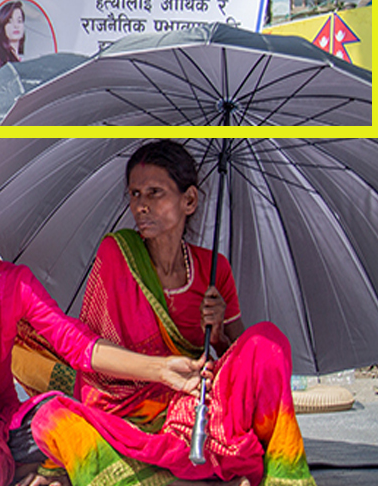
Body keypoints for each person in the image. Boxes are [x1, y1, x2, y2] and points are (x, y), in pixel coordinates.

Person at [0, 166, 224, 486]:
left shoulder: (13, 283)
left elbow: (80, 346)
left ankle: (23, 473)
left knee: (59, 416)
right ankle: (23, 476)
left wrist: (161, 369)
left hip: (8, 429)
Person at [30, 140, 315, 485]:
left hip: (195, 405)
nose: (141, 206)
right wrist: (163, 371)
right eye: (135, 194)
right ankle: (212, 464)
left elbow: (242, 361)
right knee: (51, 418)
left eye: (155, 193)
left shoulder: (214, 269)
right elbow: (96, 361)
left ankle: (274, 472)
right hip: (129, 411)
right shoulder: (118, 254)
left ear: (189, 200)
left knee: (267, 341)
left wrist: (219, 334)